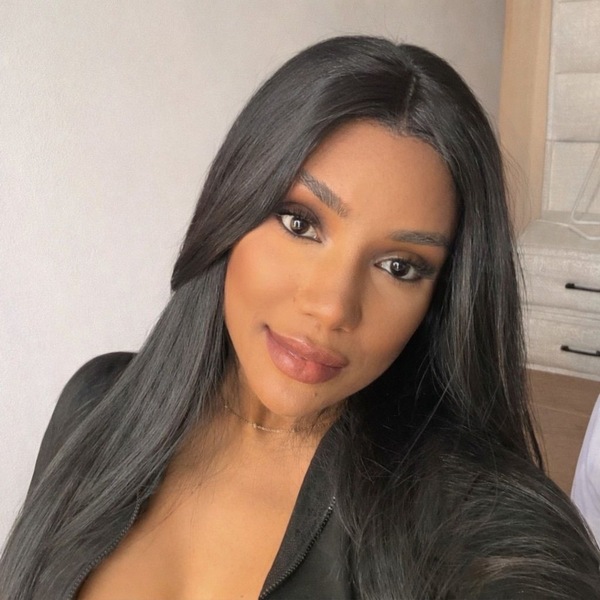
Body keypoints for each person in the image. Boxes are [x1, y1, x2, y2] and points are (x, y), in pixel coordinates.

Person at [1, 36, 599, 600]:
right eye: (300, 223)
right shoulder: (96, 403)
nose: (332, 307)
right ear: (232, 206)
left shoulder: (469, 521)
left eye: (399, 266)